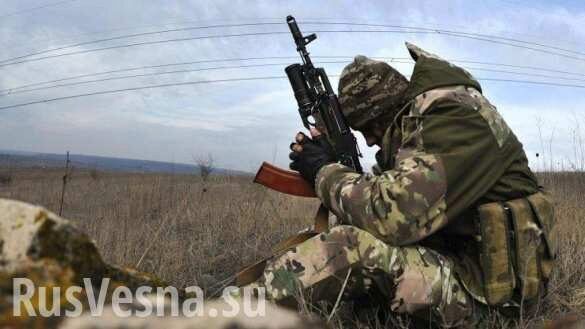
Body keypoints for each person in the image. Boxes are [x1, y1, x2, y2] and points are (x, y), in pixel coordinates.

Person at [240, 43, 557, 328]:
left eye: (370, 128)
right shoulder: (430, 125)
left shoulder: (456, 117)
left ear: (386, 112)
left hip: (494, 304)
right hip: (464, 272)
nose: (370, 140)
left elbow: (389, 217)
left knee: (349, 246)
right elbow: (384, 199)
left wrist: (323, 170)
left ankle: (225, 313)